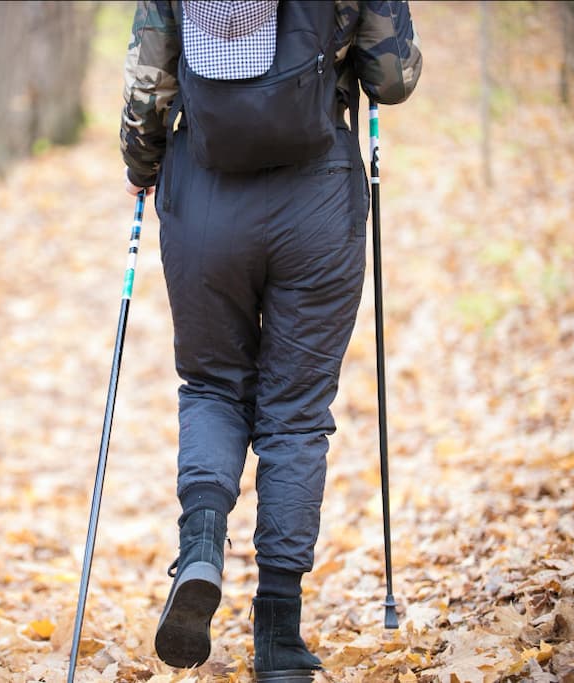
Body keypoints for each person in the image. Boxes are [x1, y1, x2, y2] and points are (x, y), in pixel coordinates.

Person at [120, 1, 421, 679]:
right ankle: (279, 632)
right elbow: (394, 76)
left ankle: (200, 545)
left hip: (204, 197)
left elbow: (149, 85)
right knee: (295, 411)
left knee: (212, 385)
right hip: (316, 199)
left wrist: (142, 162)